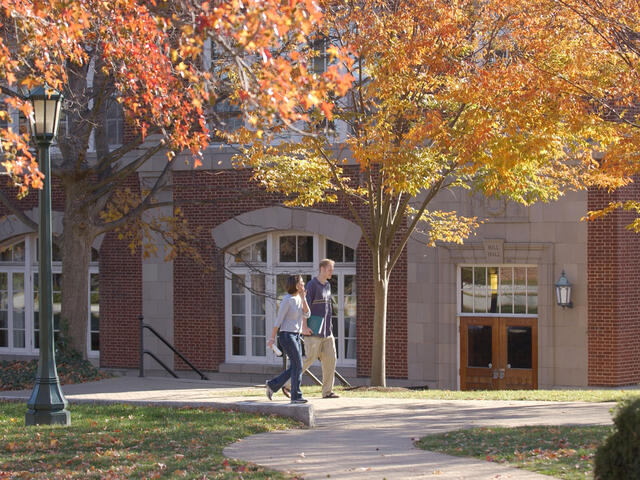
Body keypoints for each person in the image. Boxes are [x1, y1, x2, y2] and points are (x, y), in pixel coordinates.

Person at [283, 258, 340, 399]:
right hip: (313, 331)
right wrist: (304, 327)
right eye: (329, 269)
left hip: (327, 332)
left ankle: (327, 391)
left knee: (331, 359)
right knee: (308, 359)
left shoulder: (327, 285)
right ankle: (287, 385)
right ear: (322, 269)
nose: (331, 271)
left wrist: (330, 327)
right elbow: (304, 307)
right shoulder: (312, 285)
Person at [266, 275, 312, 404]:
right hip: (286, 335)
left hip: (296, 335)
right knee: (298, 365)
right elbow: (278, 320)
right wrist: (272, 338)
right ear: (297, 285)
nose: (304, 284)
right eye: (302, 282)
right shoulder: (287, 300)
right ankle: (296, 396)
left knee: (297, 366)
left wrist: (303, 299)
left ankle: (273, 385)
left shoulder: (299, 298)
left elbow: (307, 314)